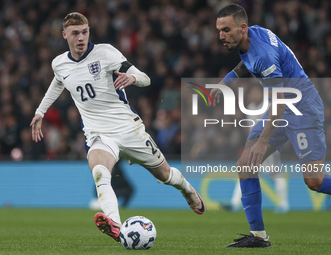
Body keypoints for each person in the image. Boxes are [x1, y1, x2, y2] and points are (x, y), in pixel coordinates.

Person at [30, 12, 205, 243]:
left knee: (166, 175)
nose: (81, 37)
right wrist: (40, 111)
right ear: (65, 35)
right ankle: (115, 224)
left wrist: (133, 79)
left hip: (129, 130)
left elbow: (145, 78)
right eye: (75, 33)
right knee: (100, 173)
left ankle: (187, 190)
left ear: (89, 31)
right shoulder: (59, 63)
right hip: (99, 134)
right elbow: (58, 82)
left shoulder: (105, 53)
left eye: (84, 32)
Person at [210, 4, 330, 248]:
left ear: (242, 28)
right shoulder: (250, 36)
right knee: (245, 165)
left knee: (314, 181)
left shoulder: (264, 53)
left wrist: (263, 141)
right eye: (219, 30)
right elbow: (247, 63)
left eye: (226, 30)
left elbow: (281, 99)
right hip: (282, 107)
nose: (221, 35)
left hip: (302, 108)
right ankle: (259, 236)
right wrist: (226, 81)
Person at [230, 86, 289, 213]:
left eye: (256, 92)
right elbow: (248, 127)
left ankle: (284, 204)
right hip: (253, 146)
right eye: (252, 92)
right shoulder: (249, 107)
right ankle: (234, 203)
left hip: (267, 145)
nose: (254, 95)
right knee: (245, 170)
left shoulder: (268, 105)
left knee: (274, 173)